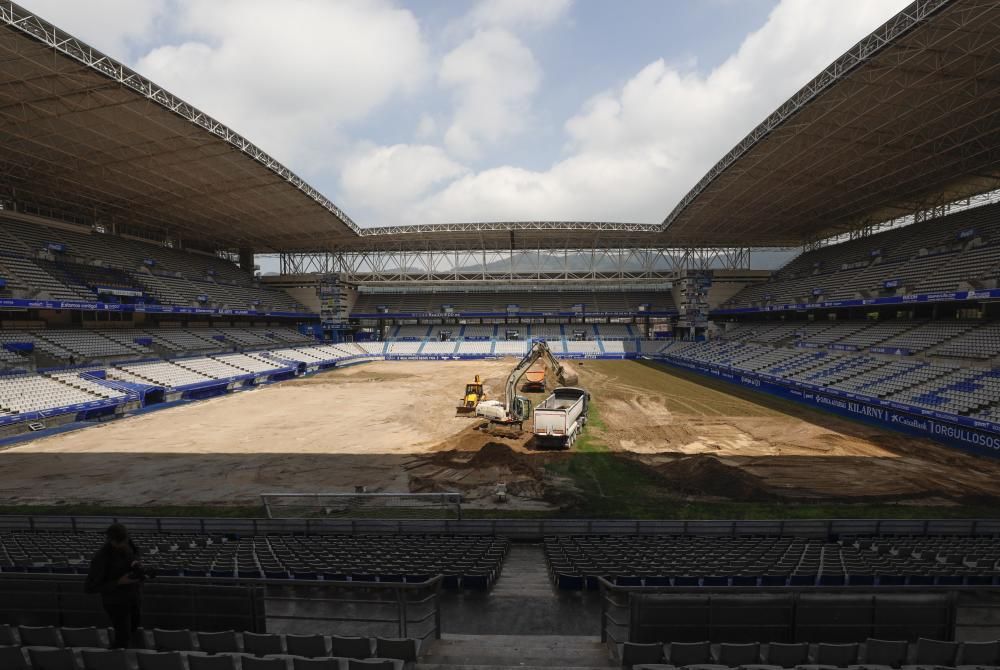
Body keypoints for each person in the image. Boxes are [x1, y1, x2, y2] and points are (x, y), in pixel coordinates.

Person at [85, 523, 142, 648]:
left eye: (125, 541)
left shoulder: (128, 543)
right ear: (110, 540)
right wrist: (118, 582)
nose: (123, 545)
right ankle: (116, 658)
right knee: (123, 636)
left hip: (132, 597)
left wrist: (136, 564)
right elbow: (89, 588)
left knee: (133, 627)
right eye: (119, 542)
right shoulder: (101, 558)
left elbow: (135, 553)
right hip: (115, 602)